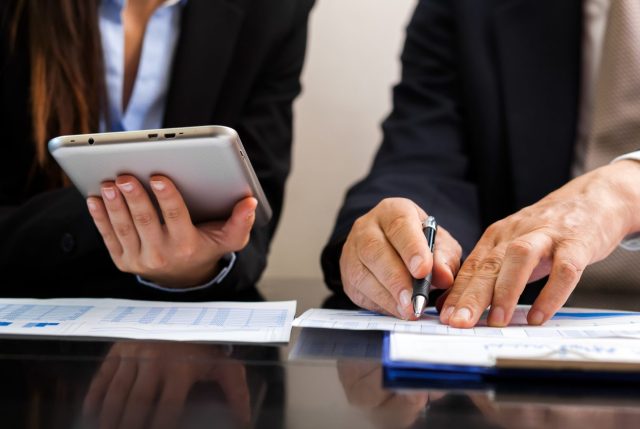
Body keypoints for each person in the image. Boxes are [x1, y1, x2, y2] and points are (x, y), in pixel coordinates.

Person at [321, 0, 640, 327]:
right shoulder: (469, 9)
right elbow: (423, 158)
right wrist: (393, 237)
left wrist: (626, 189)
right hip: (526, 323)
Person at [0, 0, 314, 298]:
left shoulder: (276, 10)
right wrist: (106, 214)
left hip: (171, 321)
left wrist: (199, 267)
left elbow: (256, 216)